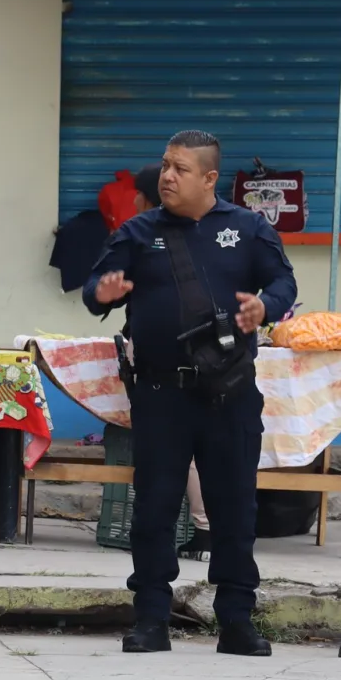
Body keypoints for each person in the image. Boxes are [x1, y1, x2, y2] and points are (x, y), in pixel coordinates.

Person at [84, 130, 296, 657]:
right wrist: (102, 293)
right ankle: (151, 617)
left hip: (229, 393)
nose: (167, 176)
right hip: (161, 392)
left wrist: (266, 306)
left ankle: (236, 619)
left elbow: (284, 283)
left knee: (234, 508)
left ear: (208, 177)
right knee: (154, 507)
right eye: (164, 165)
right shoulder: (139, 231)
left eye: (179, 168)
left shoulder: (247, 228)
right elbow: (94, 288)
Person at [132, 163, 213, 555]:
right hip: (162, 370)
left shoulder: (175, 236)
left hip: (182, 370)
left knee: (186, 453)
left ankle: (204, 526)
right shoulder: (139, 236)